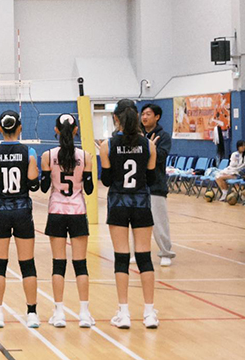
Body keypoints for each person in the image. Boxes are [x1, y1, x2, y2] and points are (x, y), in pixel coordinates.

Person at [100, 99, 159, 330]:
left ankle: (123, 313)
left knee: (121, 258)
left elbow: (106, 180)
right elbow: (151, 179)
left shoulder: (108, 145)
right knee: (144, 258)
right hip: (141, 203)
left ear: (116, 118)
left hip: (118, 203)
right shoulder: (148, 145)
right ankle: (149, 313)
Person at [0, 111, 41, 328]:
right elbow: (34, 184)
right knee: (27, 264)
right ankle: (32, 313)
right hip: (22, 210)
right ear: (20, 128)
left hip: (1, 210)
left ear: (0, 128)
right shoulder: (29, 152)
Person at [41, 114, 94, 328]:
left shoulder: (48, 155)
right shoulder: (85, 156)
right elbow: (89, 189)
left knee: (58, 264)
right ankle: (84, 314)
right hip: (78, 211)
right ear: (75, 130)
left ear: (56, 130)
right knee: (80, 264)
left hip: (56, 211)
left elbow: (44, 188)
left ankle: (59, 313)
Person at [140, 103, 175, 267]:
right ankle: (138, 252)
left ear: (157, 117)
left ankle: (165, 253)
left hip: (156, 185)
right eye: (143, 114)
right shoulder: (137, 134)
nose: (144, 117)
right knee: (137, 222)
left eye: (148, 114)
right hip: (138, 186)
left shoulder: (163, 137)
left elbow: (160, 157)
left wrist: (149, 148)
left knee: (159, 222)